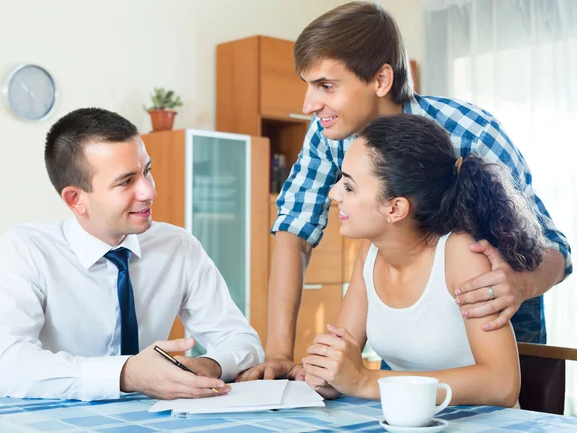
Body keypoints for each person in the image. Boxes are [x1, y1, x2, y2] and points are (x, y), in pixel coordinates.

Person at [237, 1, 571, 381]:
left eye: (326, 86)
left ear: (380, 80)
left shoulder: (471, 133)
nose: (309, 105)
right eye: (308, 86)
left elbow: (553, 245)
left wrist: (521, 284)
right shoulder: (328, 135)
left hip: (495, 303)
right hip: (411, 315)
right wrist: (280, 353)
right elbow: (293, 232)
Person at [0, 107, 264, 401]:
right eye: (126, 181)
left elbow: (243, 340)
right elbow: (8, 369)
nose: (148, 192)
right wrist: (126, 374)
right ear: (76, 199)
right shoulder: (27, 250)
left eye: (147, 171)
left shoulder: (177, 246)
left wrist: (209, 365)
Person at [302, 113, 543, 406]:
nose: (333, 192)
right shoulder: (371, 252)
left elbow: (502, 386)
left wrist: (365, 381)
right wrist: (327, 375)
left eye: (349, 186)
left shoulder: (461, 255)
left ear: (396, 209)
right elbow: (345, 351)